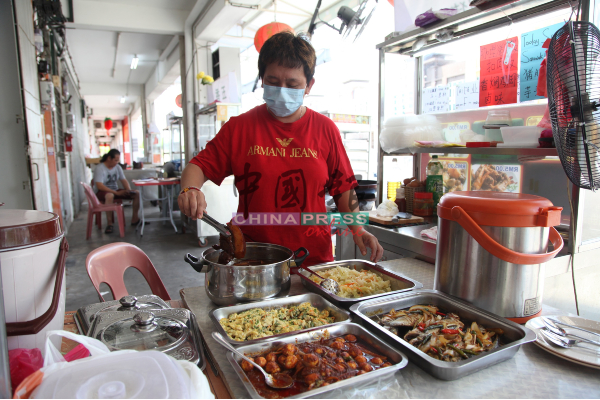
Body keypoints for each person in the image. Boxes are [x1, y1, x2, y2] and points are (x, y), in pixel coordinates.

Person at [178, 31, 383, 266]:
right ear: (262, 80)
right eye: (273, 82)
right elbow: (198, 166)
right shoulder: (240, 128)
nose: (282, 90)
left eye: (292, 84)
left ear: (309, 85)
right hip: (254, 260)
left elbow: (343, 188)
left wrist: (358, 229)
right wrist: (190, 189)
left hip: (312, 259)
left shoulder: (325, 130)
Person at [94, 149, 141, 233]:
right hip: (102, 192)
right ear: (109, 158)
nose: (117, 162)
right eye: (115, 160)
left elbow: (123, 180)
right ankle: (110, 223)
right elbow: (99, 186)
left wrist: (128, 190)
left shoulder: (117, 167)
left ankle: (135, 219)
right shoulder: (100, 168)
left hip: (115, 190)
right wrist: (115, 192)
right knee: (109, 195)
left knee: (136, 193)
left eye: (118, 160)